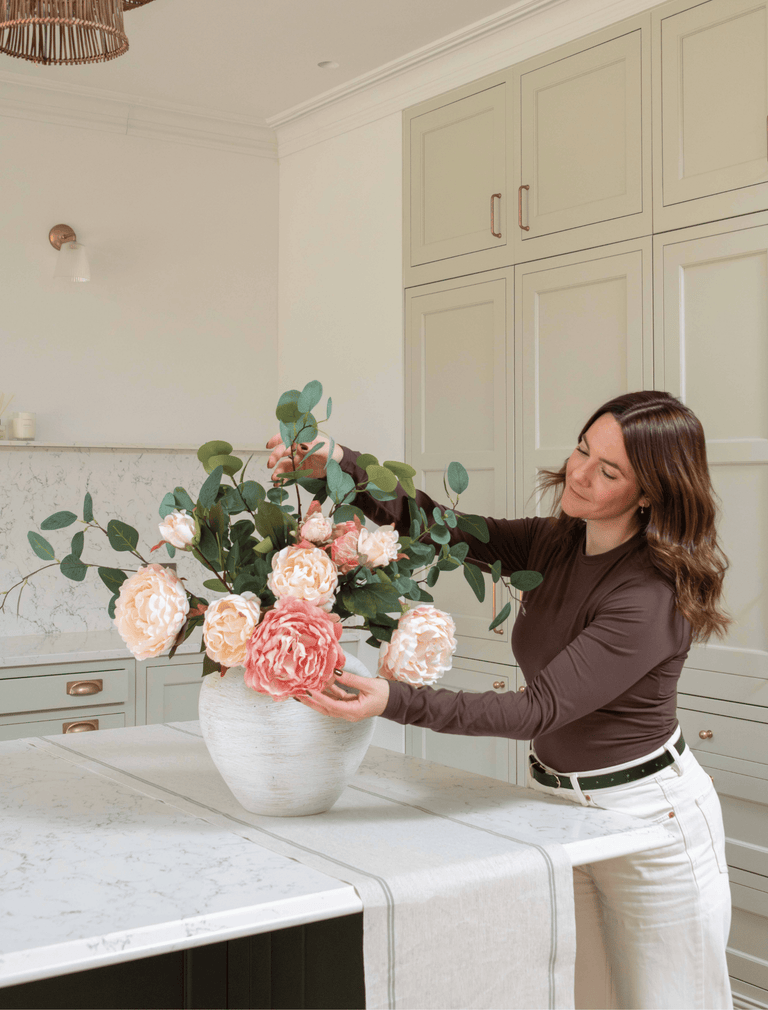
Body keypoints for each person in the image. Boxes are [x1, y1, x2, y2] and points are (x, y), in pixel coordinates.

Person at [266, 390, 733, 1010]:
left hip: (652, 822)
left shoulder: (648, 595)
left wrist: (394, 701)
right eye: (581, 450)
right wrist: (338, 463)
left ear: (650, 493)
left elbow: (536, 710)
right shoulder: (558, 543)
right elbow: (442, 527)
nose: (580, 473)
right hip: (560, 809)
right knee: (589, 998)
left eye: (609, 471)